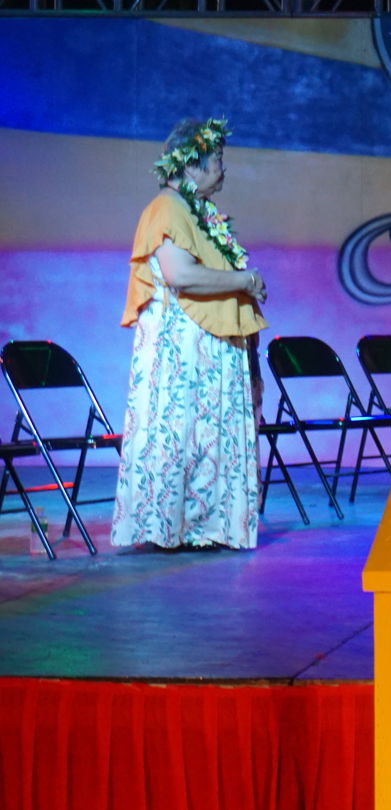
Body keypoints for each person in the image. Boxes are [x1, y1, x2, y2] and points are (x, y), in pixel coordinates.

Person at [113, 118, 268, 551]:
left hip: (204, 353)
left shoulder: (199, 213)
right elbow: (180, 275)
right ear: (191, 165)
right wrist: (244, 281)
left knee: (205, 439)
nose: (223, 166)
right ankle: (170, 526)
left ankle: (203, 526)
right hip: (181, 354)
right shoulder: (167, 208)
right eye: (217, 158)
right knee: (181, 436)